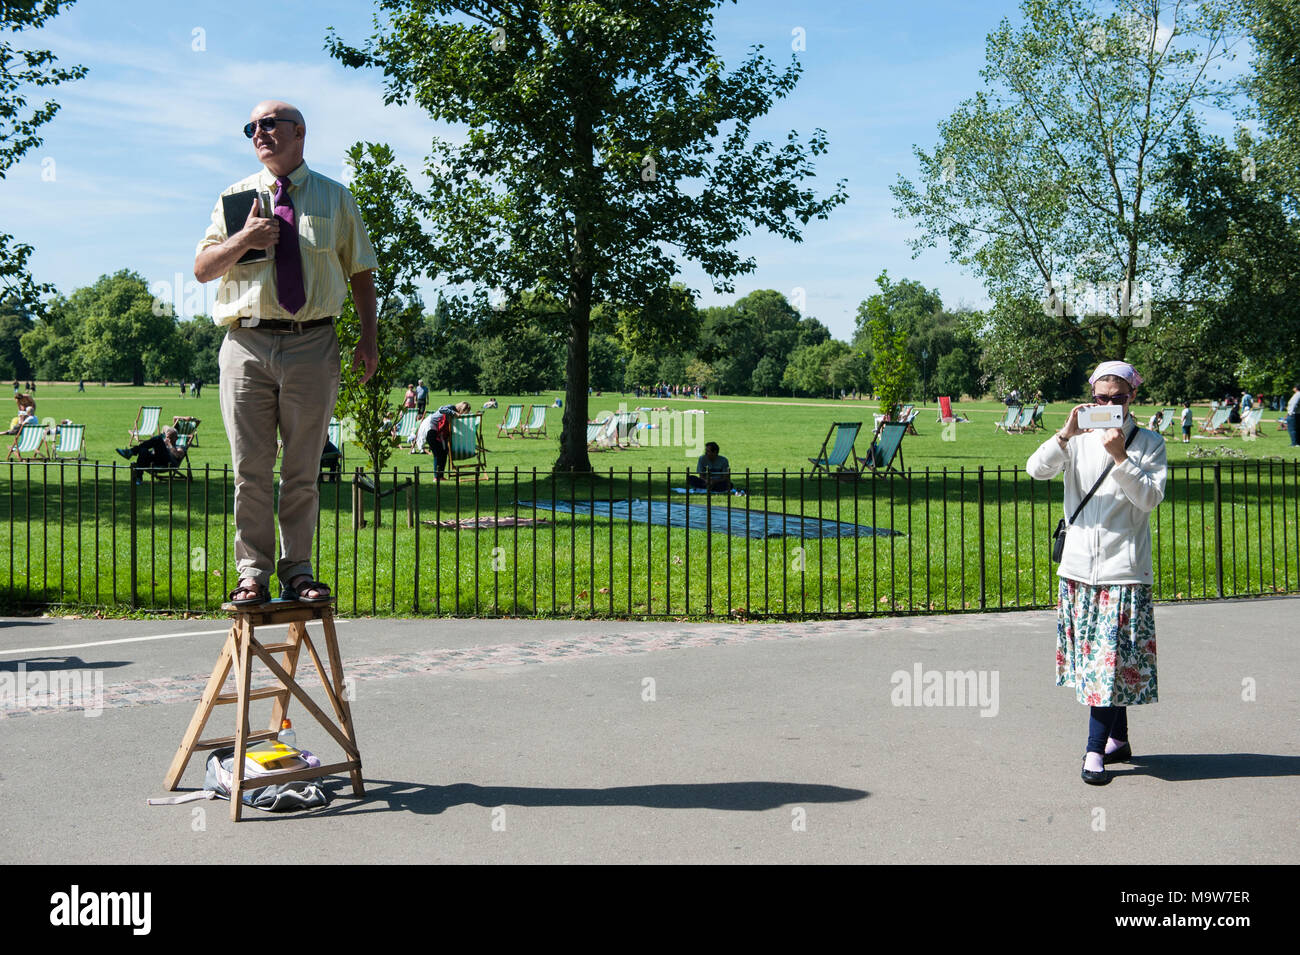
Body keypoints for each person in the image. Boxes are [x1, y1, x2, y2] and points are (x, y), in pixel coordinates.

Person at [194, 100, 378, 607]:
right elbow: (203, 269)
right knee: (249, 468)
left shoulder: (336, 199)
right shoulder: (234, 198)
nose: (259, 132)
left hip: (313, 342)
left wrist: (369, 338)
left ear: (299, 131)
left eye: (269, 123)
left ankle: (298, 569)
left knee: (302, 468)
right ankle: (252, 572)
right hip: (246, 344)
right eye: (251, 126)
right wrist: (246, 237)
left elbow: (360, 272)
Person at [1026, 360, 1167, 786]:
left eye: (1117, 399)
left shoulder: (1150, 443)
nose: (1108, 406)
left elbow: (1149, 500)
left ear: (1133, 398)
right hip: (1079, 568)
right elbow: (1036, 469)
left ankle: (1093, 752)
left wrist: (1120, 457)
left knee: (1106, 665)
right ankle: (1117, 740)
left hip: (1124, 568)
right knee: (1102, 662)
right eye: (1100, 399)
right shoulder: (1078, 441)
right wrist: (1065, 434)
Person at [413, 401, 471, 479]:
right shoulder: (451, 408)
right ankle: (436, 477)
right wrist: (454, 413)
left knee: (444, 452)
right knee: (437, 454)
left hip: (439, 432)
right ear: (462, 409)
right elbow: (441, 409)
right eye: (464, 412)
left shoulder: (453, 412)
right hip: (430, 429)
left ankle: (441, 476)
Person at [116, 427, 187, 484]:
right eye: (167, 437)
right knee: (143, 450)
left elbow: (178, 455)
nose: (168, 439)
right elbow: (165, 427)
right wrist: (155, 450)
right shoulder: (162, 444)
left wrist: (169, 444)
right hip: (157, 461)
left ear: (176, 438)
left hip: (169, 463)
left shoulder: (180, 446)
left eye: (171, 438)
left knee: (158, 438)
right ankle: (138, 478)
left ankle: (131, 452)